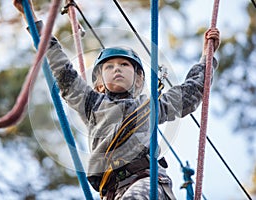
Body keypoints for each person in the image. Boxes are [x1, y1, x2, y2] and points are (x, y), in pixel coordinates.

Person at [13, 1, 220, 199]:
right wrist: (31, 19)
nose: (117, 69)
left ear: (138, 79)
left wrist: (206, 58)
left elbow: (190, 92)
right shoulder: (92, 105)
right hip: (111, 192)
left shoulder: (150, 107)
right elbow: (61, 68)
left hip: (147, 183)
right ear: (100, 83)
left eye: (124, 65)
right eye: (109, 67)